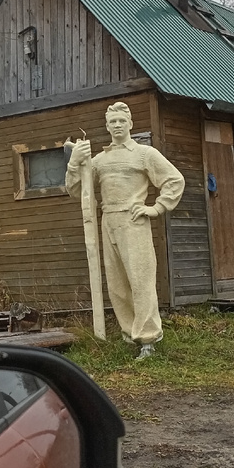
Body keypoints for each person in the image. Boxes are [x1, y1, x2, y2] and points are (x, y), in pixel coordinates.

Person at [66, 102, 184, 358]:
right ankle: (130, 334)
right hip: (108, 220)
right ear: (107, 127)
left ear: (130, 124)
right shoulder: (100, 160)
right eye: (112, 122)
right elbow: (78, 191)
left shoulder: (144, 153)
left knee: (140, 281)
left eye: (121, 121)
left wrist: (155, 208)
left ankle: (149, 339)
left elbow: (174, 180)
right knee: (118, 286)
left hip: (133, 221)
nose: (117, 125)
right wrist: (74, 164)